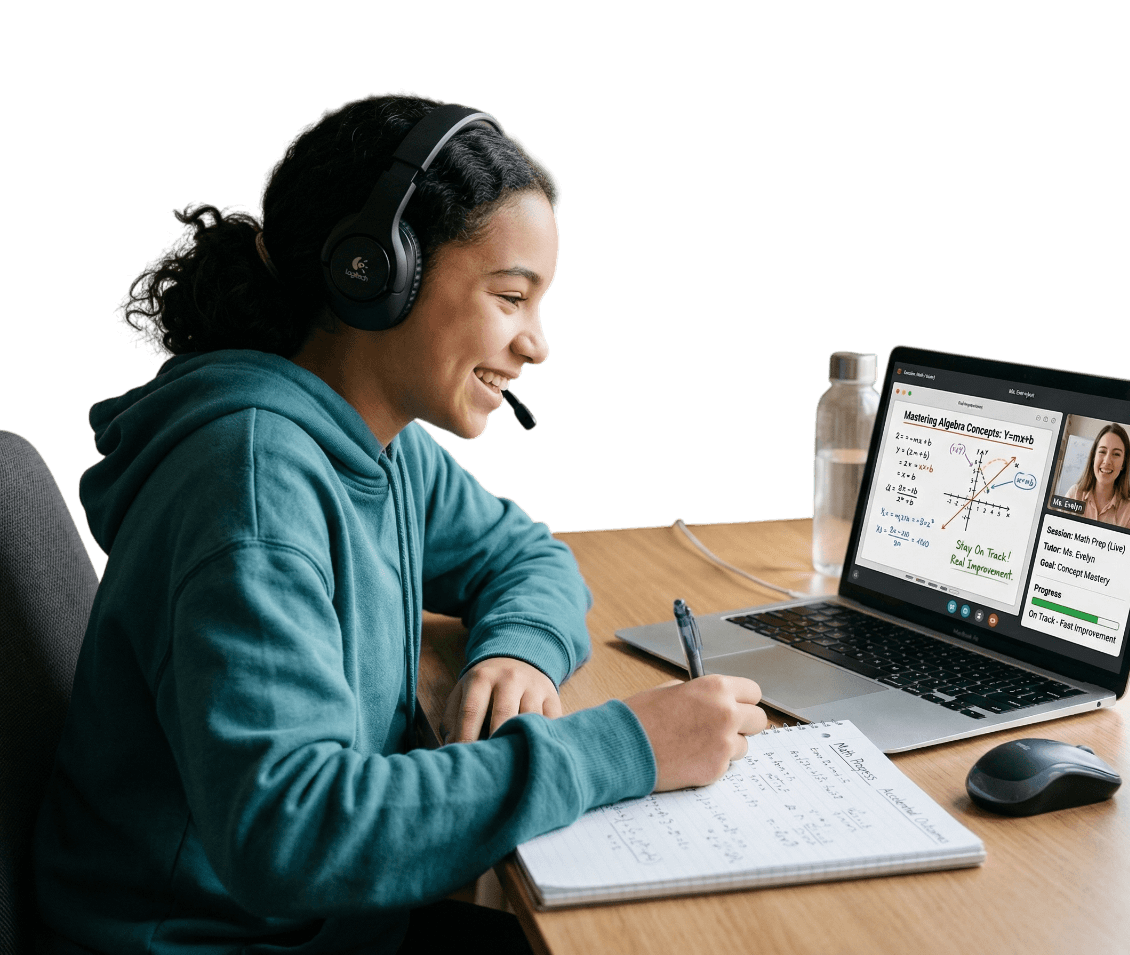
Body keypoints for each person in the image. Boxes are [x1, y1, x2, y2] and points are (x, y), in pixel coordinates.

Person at [31, 91, 767, 955]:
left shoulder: (378, 445)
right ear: (376, 274)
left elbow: (525, 554)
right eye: (511, 296)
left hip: (331, 923)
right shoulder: (253, 488)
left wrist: (519, 649)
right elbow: (292, 832)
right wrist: (625, 746)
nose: (537, 343)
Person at [1065, 423, 1130, 530]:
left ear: (1123, 463)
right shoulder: (1074, 495)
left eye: (1116, 454)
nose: (1107, 461)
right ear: (1093, 457)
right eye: (1102, 451)